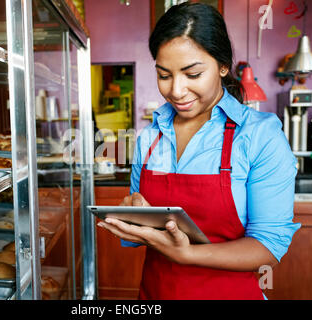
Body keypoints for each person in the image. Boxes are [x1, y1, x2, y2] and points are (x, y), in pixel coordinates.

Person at [97, 2, 301, 300]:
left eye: (192, 74)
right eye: (164, 75)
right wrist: (136, 216)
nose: (176, 91)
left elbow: (268, 247)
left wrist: (186, 255)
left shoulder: (259, 136)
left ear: (221, 66)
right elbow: (147, 226)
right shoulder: (150, 136)